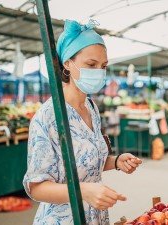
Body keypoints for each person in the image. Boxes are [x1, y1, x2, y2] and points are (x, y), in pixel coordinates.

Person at [23, 20, 142, 225]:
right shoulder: (48, 117)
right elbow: (36, 187)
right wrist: (83, 190)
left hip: (94, 216)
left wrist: (116, 161)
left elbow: (84, 161)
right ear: (68, 63)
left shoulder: (91, 107)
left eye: (103, 66)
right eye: (91, 64)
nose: (99, 71)